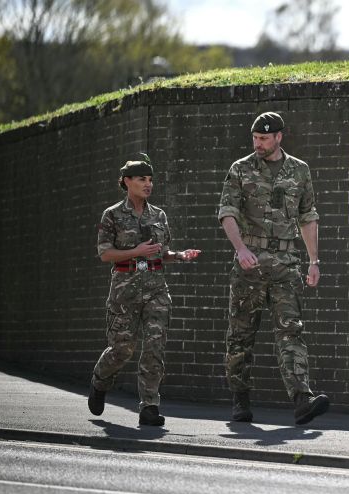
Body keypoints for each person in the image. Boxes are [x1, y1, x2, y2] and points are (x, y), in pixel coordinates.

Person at [218, 111, 329, 425]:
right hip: (249, 265)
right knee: (240, 337)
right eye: (255, 138)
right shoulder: (240, 170)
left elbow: (308, 217)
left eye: (264, 138)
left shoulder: (299, 171)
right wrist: (240, 249)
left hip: (285, 265)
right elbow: (227, 213)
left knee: (290, 332)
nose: (258, 144)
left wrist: (313, 261)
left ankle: (302, 398)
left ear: (279, 137)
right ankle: (240, 400)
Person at [88, 156, 201, 426]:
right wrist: (135, 252)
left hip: (156, 289)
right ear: (127, 181)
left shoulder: (158, 215)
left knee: (154, 347)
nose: (148, 184)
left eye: (150, 180)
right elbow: (105, 254)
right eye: (142, 179)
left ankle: (149, 406)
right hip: (125, 289)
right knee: (122, 349)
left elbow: (161, 253)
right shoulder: (112, 214)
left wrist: (179, 255)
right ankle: (100, 381)